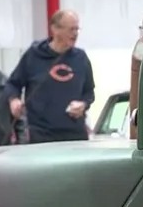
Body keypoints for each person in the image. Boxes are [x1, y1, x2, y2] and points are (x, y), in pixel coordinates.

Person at [7, 9, 94, 144]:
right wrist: (14, 100)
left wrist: (83, 104)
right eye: (71, 29)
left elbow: (89, 92)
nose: (75, 34)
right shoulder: (34, 55)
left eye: (77, 29)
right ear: (55, 29)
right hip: (41, 134)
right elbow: (13, 84)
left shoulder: (81, 58)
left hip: (74, 134)